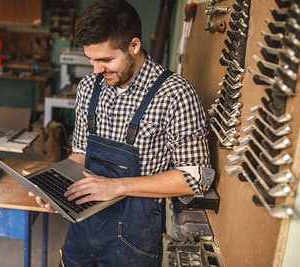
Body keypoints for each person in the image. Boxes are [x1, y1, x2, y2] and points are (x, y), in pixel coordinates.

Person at [30, 0, 213, 266]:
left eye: (105, 60)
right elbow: (80, 153)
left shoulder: (176, 94)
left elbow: (195, 178)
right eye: (91, 60)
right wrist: (54, 185)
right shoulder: (88, 88)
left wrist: (116, 187)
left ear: (134, 46)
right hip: (82, 231)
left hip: (133, 241)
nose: (96, 70)